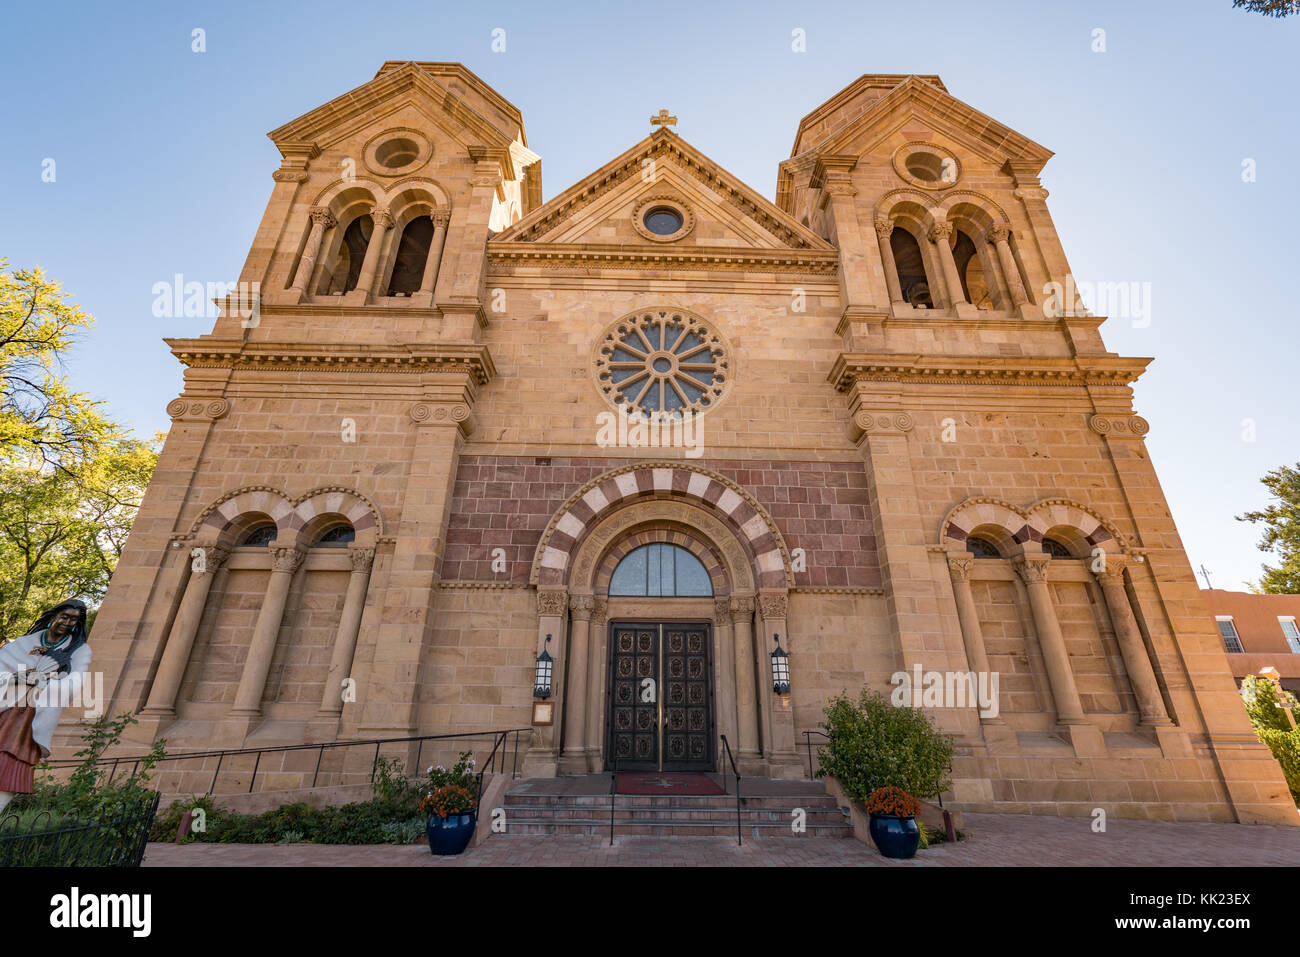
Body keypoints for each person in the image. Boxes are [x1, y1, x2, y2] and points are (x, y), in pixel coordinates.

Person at [0, 600, 92, 815]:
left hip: (28, 719)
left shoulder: (78, 651)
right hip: (5, 707)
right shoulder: (21, 644)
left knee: (9, 769)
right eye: (64, 616)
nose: (66, 622)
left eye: (73, 619)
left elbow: (74, 684)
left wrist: (41, 682)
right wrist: (16, 678)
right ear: (54, 615)